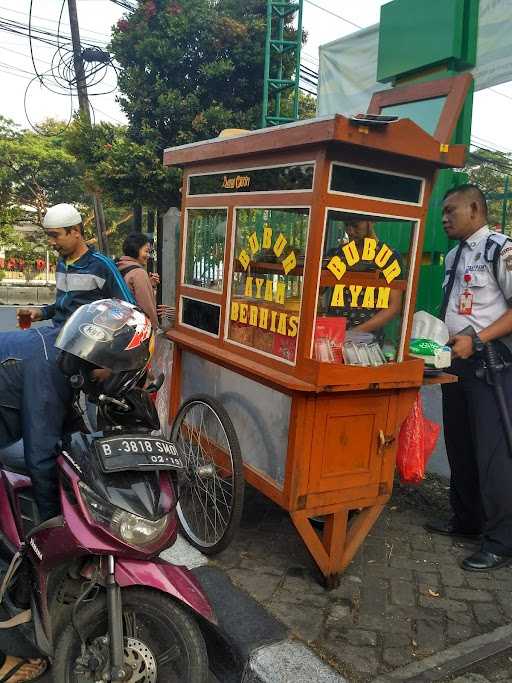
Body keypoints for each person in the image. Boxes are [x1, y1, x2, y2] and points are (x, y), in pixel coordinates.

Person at [0, 203, 135, 522]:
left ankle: (52, 520)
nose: (52, 242)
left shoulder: (101, 265)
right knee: (58, 430)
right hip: (54, 341)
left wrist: (110, 363)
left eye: (55, 236)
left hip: (83, 352)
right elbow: (64, 308)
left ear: (76, 231)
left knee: (50, 442)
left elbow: (127, 311)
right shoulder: (63, 263)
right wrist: (42, 313)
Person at [425, 183, 512, 571]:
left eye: (451, 211)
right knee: (459, 445)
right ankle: (466, 521)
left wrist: (476, 340)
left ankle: (500, 541)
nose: (443, 218)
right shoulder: (452, 257)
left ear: (475, 208)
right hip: (454, 362)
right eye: (442, 212)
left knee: (492, 454)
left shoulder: (500, 249)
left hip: (490, 365)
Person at [117, 232, 160, 330]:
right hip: (136, 329)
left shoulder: (118, 267)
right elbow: (147, 307)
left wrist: (149, 284)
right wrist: (154, 328)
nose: (148, 255)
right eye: (146, 251)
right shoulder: (139, 273)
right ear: (135, 250)